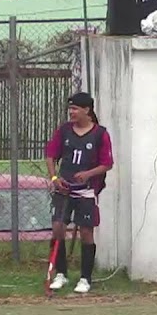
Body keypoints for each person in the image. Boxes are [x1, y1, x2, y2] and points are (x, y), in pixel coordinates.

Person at [45, 92, 113, 295]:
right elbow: (50, 155)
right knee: (58, 227)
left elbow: (107, 164)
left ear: (87, 110)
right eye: (70, 109)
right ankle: (61, 274)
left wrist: (88, 174)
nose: (71, 113)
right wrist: (55, 178)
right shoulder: (64, 131)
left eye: (75, 109)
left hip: (86, 191)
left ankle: (85, 278)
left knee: (86, 232)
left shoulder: (100, 134)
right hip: (64, 189)